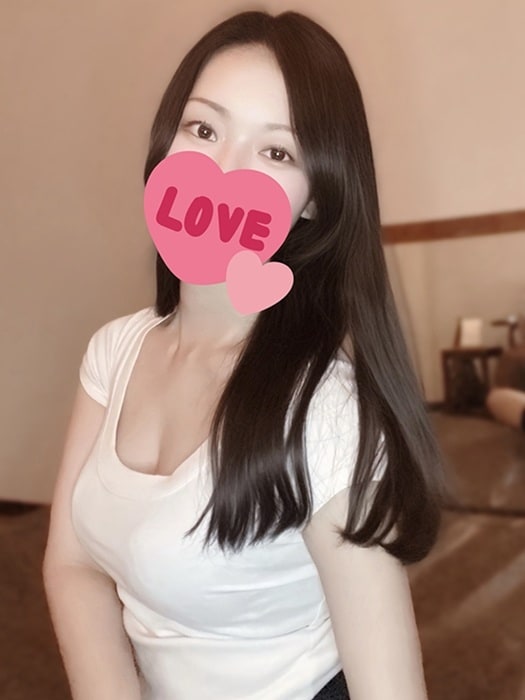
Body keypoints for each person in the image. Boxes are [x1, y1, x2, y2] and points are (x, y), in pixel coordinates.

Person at [43, 10, 447, 700]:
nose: (222, 171)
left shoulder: (325, 413)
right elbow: (71, 565)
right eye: (203, 130)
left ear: (314, 199)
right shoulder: (115, 351)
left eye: (276, 153)